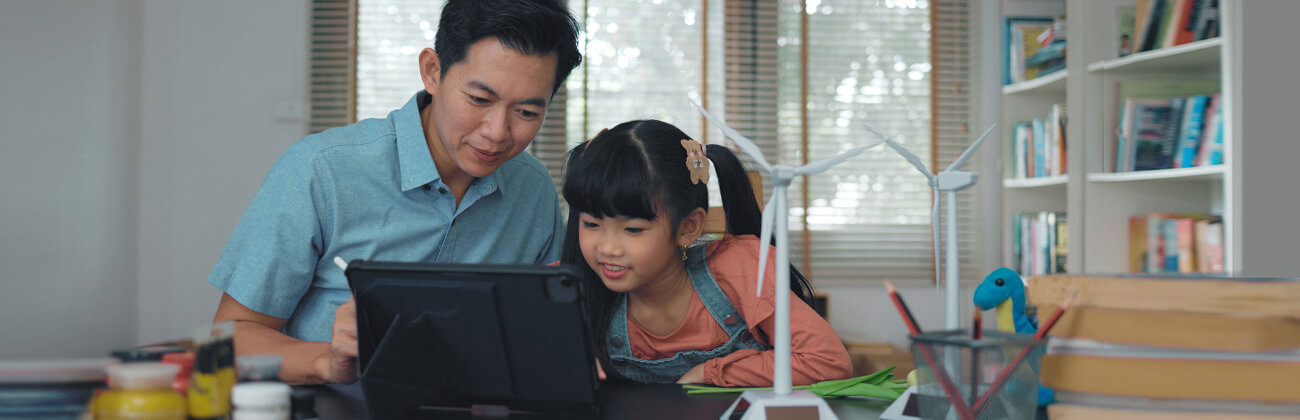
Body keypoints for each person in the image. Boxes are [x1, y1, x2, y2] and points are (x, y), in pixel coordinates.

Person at [207, 0, 581, 385]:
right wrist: (327, 361)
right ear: (432, 72)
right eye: (480, 100)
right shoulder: (323, 170)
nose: (498, 132)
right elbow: (227, 339)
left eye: (527, 113)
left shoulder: (533, 188)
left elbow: (550, 327)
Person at [560, 120, 853, 387]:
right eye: (591, 224)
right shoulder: (567, 287)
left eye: (633, 230)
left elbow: (826, 361)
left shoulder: (740, 269)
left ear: (688, 227)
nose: (607, 248)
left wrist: (711, 373)